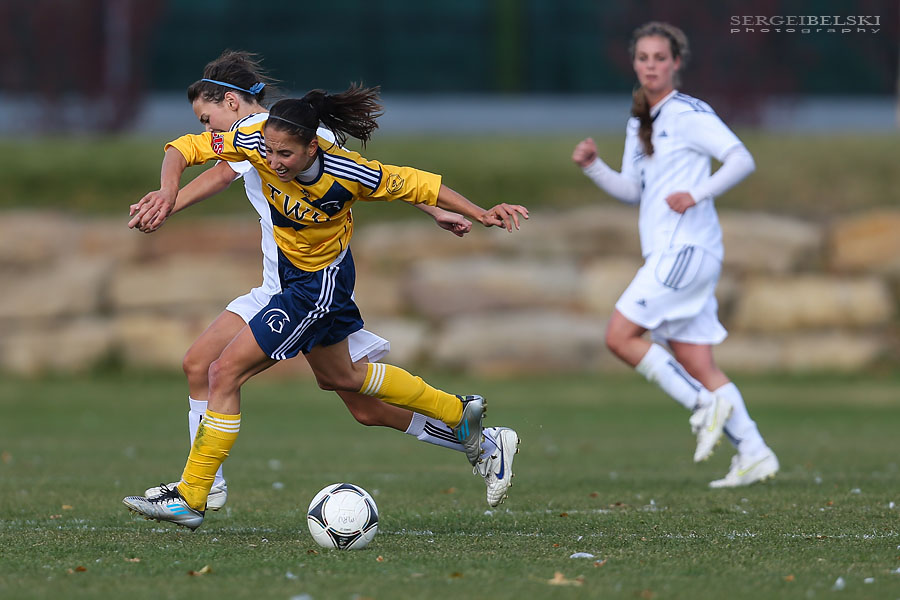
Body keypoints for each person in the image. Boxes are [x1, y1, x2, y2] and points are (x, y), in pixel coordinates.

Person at [123, 82, 529, 530]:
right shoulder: (254, 141)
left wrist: (479, 212)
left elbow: (418, 184)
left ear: (311, 148)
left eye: (286, 156)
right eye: (269, 153)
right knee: (345, 381)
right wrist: (166, 192)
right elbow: (182, 148)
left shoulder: (348, 171)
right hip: (289, 283)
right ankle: (459, 413)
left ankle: (194, 494)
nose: (274, 163)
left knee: (223, 371)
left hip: (318, 288)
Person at [571, 22, 778, 488]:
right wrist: (592, 167)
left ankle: (705, 406)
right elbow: (632, 191)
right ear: (635, 63)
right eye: (643, 57)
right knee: (697, 362)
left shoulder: (688, 112)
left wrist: (696, 194)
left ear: (676, 63)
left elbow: (741, 158)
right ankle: (754, 451)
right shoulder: (640, 120)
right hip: (674, 253)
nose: (651, 66)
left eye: (660, 58)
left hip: (685, 250)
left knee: (619, 336)